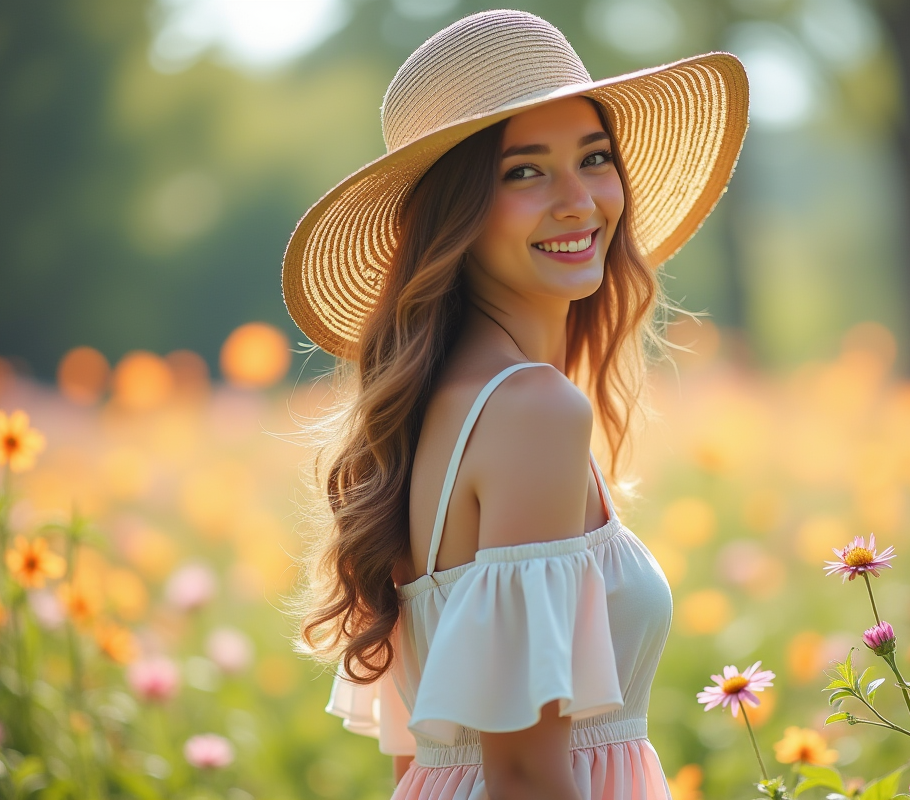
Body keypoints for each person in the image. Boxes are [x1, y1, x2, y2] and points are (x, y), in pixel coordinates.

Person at [282, 9, 749, 799]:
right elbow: (527, 774)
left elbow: (418, 757)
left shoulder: (439, 406)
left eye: (594, 158)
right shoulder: (533, 411)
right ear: (455, 214)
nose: (578, 200)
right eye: (525, 173)